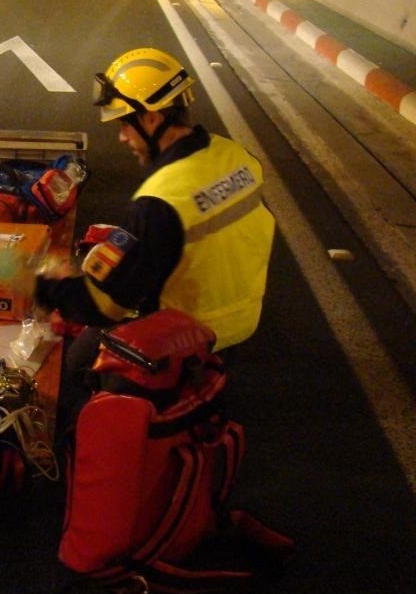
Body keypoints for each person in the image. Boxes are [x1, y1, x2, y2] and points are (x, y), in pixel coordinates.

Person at [32, 47, 275, 439]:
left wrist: (46, 287)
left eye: (126, 124)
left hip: (187, 333)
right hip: (244, 316)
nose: (123, 136)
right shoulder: (236, 156)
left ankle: (78, 449)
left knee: (74, 365)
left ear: (152, 117)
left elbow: (105, 305)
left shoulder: (161, 199)